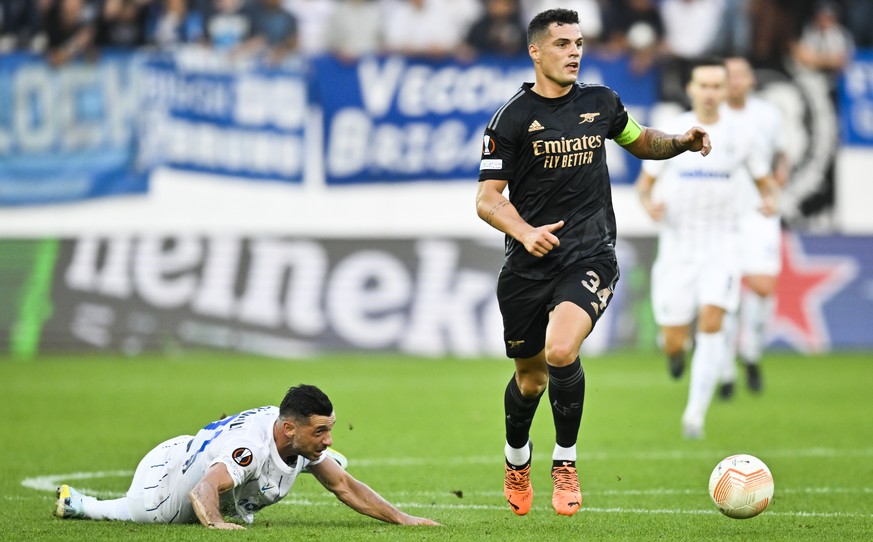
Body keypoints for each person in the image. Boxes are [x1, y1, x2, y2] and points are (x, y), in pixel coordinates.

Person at [476, 8, 711, 517]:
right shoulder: (510, 118)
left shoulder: (602, 103)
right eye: (562, 43)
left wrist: (681, 144)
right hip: (527, 265)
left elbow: (641, 141)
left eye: (579, 42)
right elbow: (488, 198)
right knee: (530, 380)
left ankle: (565, 462)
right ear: (535, 51)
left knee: (562, 352)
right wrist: (524, 231)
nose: (574, 51)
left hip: (591, 255)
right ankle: (517, 459)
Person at [54, 384, 439, 529]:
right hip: (163, 488)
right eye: (320, 431)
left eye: (330, 429)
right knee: (129, 512)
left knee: (331, 465)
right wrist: (218, 525)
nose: (328, 437)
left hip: (196, 447)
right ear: (290, 428)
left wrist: (404, 519)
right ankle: (76, 503)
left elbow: (345, 488)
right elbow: (204, 490)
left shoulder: (290, 427)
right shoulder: (251, 449)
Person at [634, 57, 778, 439]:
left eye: (719, 85)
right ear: (691, 89)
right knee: (675, 337)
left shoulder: (742, 133)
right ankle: (676, 355)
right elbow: (644, 187)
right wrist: (651, 207)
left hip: (723, 246)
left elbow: (765, 181)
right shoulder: (671, 130)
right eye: (705, 85)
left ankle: (694, 415)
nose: (712, 92)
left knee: (713, 322)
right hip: (678, 248)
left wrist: (769, 200)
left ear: (726, 89)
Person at [717, 56, 788, 398]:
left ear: (750, 80)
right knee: (726, 291)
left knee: (762, 287)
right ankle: (727, 370)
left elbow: (781, 157)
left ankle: (752, 352)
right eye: (728, 76)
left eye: (740, 75)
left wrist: (775, 190)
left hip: (759, 212)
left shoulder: (768, 116)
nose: (734, 81)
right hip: (724, 216)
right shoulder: (714, 116)